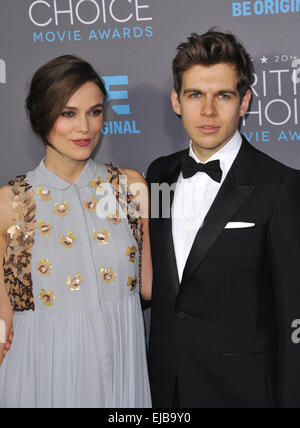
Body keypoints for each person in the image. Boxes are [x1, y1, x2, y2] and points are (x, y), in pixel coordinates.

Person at [146, 30, 300, 408]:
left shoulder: (280, 186)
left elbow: (294, 312)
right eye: (195, 94)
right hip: (166, 389)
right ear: (176, 101)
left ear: (244, 101)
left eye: (224, 96)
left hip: (242, 393)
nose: (208, 111)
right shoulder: (159, 175)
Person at [0, 55, 152, 408]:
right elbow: (4, 309)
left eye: (95, 112)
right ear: (41, 116)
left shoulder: (130, 188)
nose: (84, 127)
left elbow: (151, 285)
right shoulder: (11, 203)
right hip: (37, 374)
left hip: (121, 369)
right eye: (68, 113)